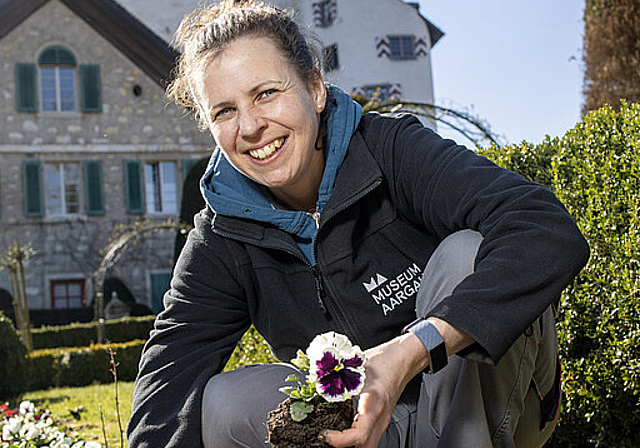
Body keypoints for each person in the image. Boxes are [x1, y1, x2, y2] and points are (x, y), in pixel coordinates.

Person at [126, 1, 589, 447]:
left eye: (266, 93)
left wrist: (410, 351)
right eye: (224, 111)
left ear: (314, 88)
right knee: (223, 403)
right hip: (367, 428)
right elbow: (170, 372)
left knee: (465, 254)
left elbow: (544, 229)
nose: (249, 127)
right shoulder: (223, 231)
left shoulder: (391, 149)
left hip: (482, 407)